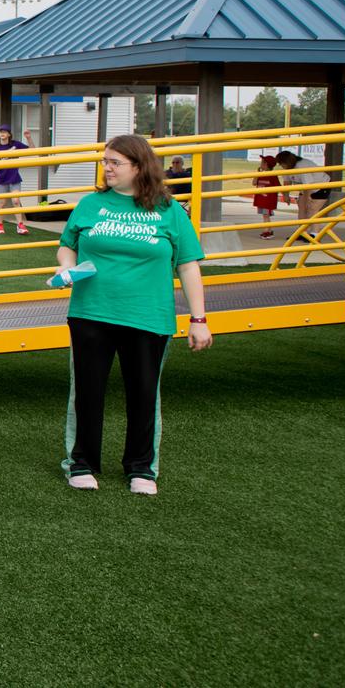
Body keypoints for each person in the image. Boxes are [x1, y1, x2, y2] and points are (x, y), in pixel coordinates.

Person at [54, 133, 209, 497]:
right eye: (105, 161)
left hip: (148, 316)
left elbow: (188, 266)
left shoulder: (170, 211)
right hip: (91, 312)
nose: (106, 168)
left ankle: (141, 468)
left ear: (139, 167)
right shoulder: (91, 204)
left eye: (115, 162)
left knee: (143, 394)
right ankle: (82, 464)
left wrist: (198, 319)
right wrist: (68, 267)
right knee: (87, 392)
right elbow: (67, 245)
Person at [0, 124, 30, 236]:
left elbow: (33, 151)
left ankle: (20, 225)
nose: (2, 133)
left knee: (16, 201)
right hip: (0, 179)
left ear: (9, 134)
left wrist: (29, 138)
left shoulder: (15, 144)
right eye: (0, 131)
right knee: (2, 203)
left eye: (5, 131)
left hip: (14, 178)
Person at [251, 154, 281, 240]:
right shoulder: (261, 174)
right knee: (265, 215)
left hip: (268, 200)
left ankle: (267, 231)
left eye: (263, 162)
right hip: (261, 200)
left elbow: (278, 187)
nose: (261, 164)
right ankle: (269, 230)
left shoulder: (273, 175)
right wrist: (257, 174)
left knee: (266, 215)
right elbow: (254, 183)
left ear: (267, 165)